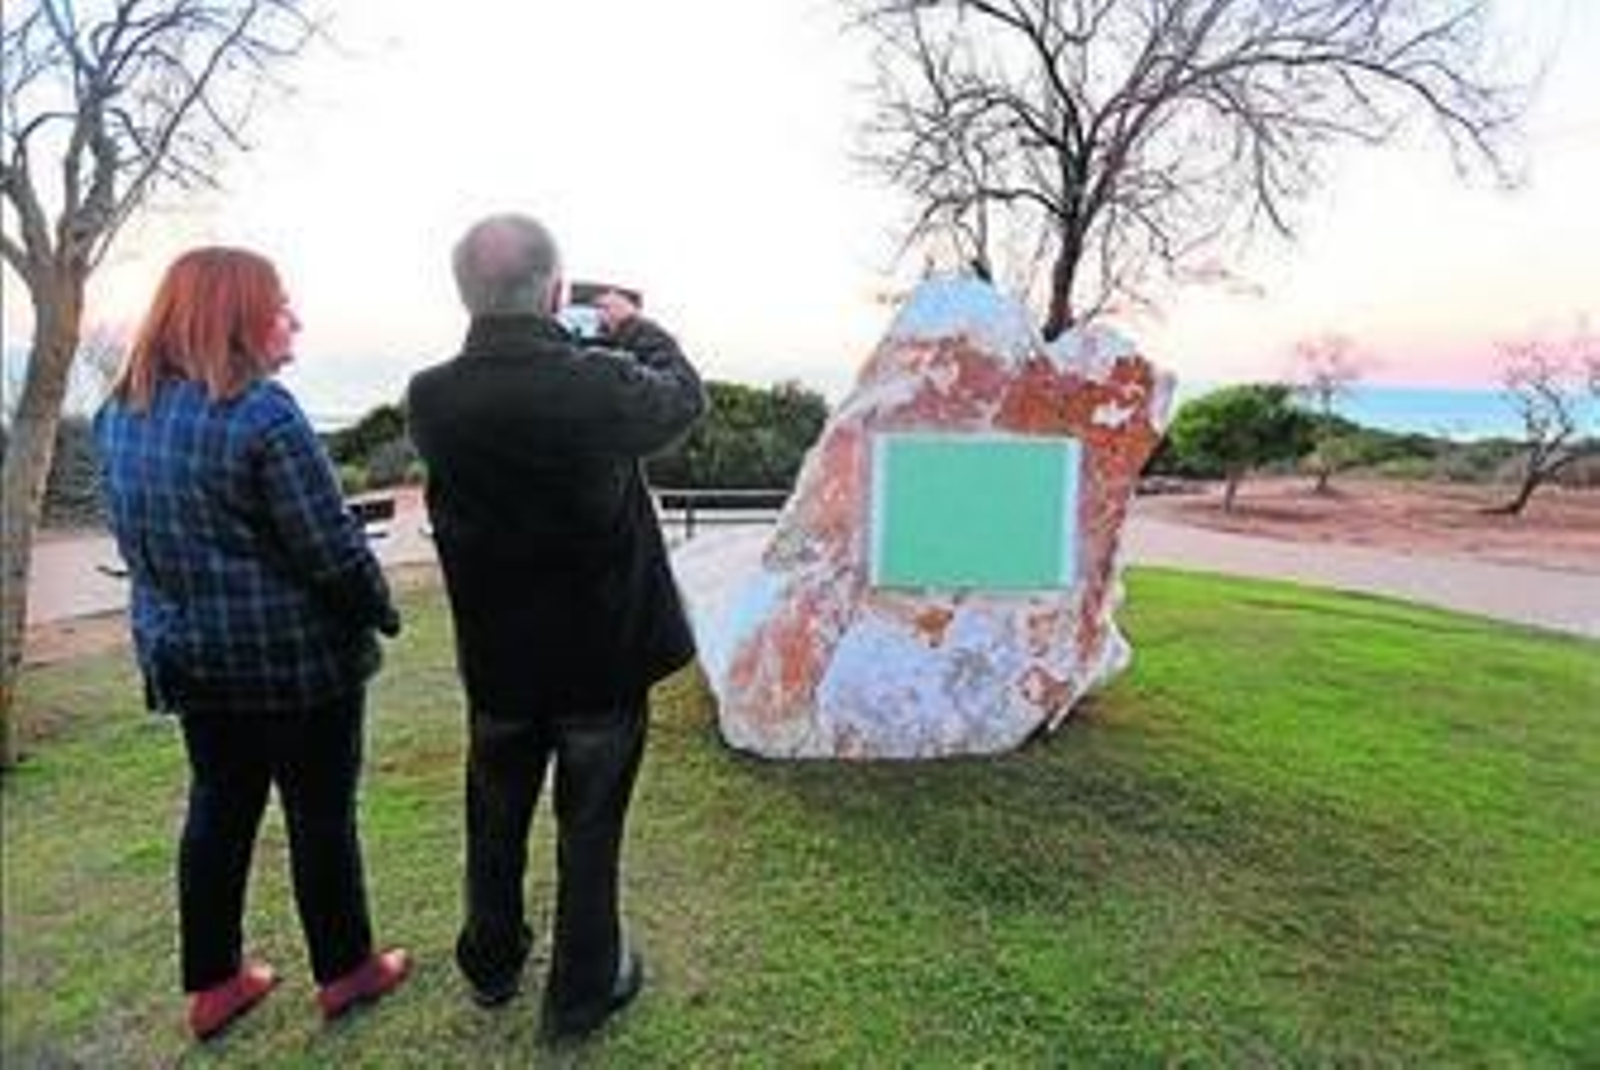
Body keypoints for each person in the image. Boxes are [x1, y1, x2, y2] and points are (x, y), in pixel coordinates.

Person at [93, 247, 411, 1041]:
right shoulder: (263, 415)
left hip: (190, 658)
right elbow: (332, 550)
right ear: (234, 318)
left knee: (218, 810)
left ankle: (214, 985)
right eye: (281, 306)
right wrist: (382, 610)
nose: (295, 320)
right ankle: (346, 972)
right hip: (294, 664)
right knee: (320, 816)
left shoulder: (118, 413)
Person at [406, 213, 706, 1041]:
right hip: (598, 659)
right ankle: (580, 992)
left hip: (500, 659)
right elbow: (683, 398)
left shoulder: (431, 398)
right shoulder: (595, 383)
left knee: (494, 818)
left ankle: (492, 961)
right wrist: (633, 326)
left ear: (465, 292)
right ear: (552, 289)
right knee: (590, 827)